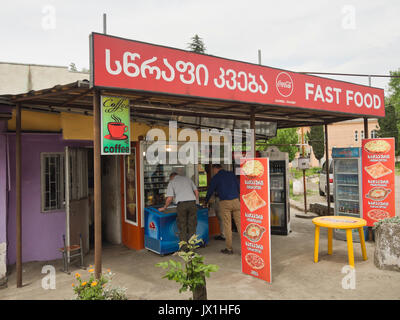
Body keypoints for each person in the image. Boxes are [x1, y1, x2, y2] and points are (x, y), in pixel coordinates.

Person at [205, 164, 241, 254]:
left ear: (215, 169)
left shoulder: (216, 177)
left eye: (213, 170)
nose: (213, 172)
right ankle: (246, 248)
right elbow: (239, 186)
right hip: (236, 201)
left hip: (225, 202)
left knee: (227, 226)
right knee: (240, 225)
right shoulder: (231, 174)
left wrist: (206, 201)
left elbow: (210, 190)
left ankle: (229, 248)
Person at [159, 172, 199, 245]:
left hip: (182, 204)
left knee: (182, 226)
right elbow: (196, 192)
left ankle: (184, 249)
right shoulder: (187, 179)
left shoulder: (172, 182)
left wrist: (164, 207)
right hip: (192, 203)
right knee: (192, 226)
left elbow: (169, 198)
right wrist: (195, 202)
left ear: (171, 177)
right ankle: (192, 248)